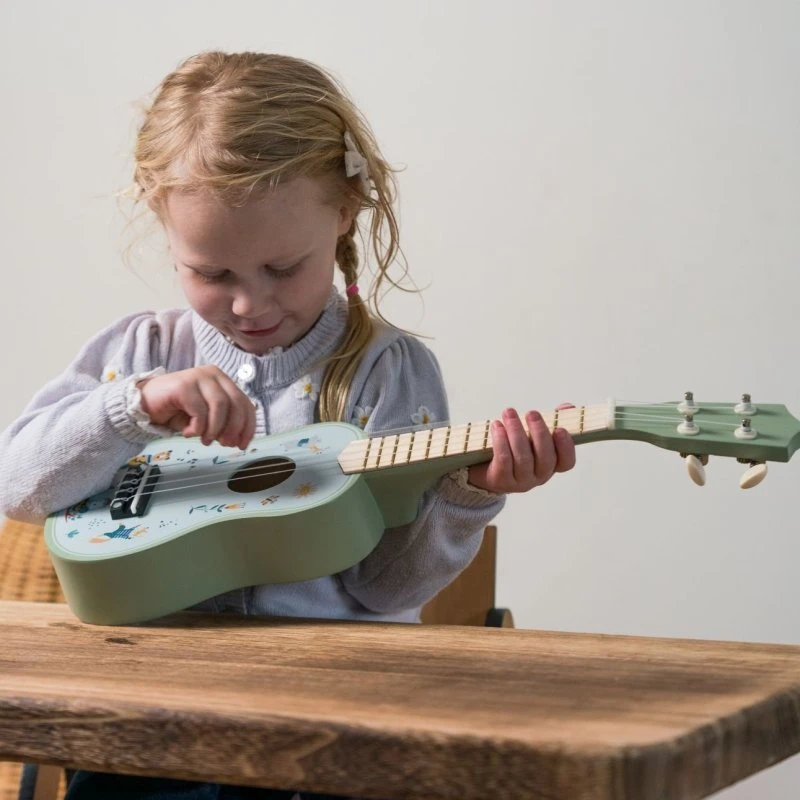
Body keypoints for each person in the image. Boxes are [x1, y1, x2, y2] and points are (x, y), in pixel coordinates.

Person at [0, 51, 576, 800]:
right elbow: (19, 487)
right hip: (150, 727)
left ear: (345, 210)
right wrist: (133, 408)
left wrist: (468, 497)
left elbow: (386, 589)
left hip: (328, 731)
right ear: (163, 226)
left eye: (283, 268)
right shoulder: (140, 354)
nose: (249, 304)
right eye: (212, 274)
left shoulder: (386, 371)